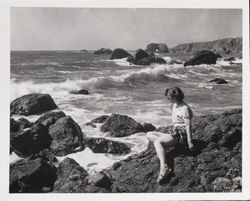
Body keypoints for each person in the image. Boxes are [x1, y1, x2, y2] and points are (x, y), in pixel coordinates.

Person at [146, 87, 194, 184]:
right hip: (175, 132)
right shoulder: (175, 105)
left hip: (181, 135)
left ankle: (164, 168)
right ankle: (164, 147)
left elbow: (188, 125)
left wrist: (189, 142)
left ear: (174, 97)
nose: (168, 100)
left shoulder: (184, 108)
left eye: (169, 98)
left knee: (157, 142)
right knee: (149, 134)